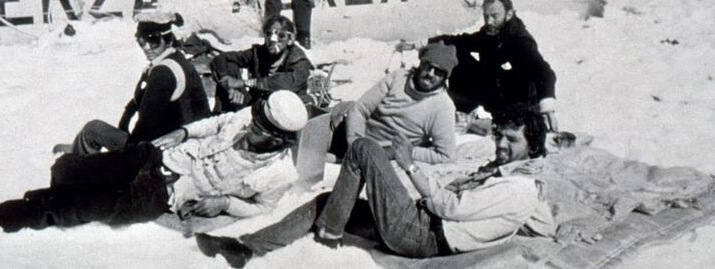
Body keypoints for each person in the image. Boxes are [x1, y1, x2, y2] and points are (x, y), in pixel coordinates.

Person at [196, 103, 554, 265]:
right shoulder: (510, 176)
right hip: (422, 223)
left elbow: (451, 208)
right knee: (330, 201)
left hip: (424, 235)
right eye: (501, 137)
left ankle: (330, 237)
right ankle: (245, 249)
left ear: (532, 147)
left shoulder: (519, 187)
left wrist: (410, 165)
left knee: (364, 149)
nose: (502, 145)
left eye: (512, 140)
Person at [0, 91, 309, 240]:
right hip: (153, 157)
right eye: (253, 121)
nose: (249, 130)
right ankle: (47, 196)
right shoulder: (250, 116)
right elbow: (214, 124)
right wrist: (182, 132)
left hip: (161, 195)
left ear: (279, 140)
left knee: (73, 208)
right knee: (66, 171)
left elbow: (263, 207)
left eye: (259, 131)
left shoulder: (279, 173)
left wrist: (225, 203)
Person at [58, 11, 211, 156]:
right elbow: (140, 99)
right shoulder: (175, 58)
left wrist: (127, 155)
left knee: (92, 129)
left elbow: (146, 123)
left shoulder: (163, 72)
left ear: (168, 39)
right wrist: (125, 120)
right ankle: (79, 150)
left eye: (154, 40)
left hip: (167, 150)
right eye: (141, 41)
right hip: (188, 141)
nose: (147, 47)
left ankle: (78, 160)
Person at [428, 0, 558, 127]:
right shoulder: (491, 31)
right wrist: (424, 43)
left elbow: (545, 72)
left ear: (509, 15)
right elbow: (463, 41)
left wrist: (548, 110)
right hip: (494, 91)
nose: (489, 21)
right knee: (458, 51)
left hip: (516, 102)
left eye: (494, 16)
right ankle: (463, 112)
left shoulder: (520, 40)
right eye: (486, 16)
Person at [328, 42, 458, 163]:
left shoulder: (443, 107)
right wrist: (355, 144)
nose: (430, 73)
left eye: (438, 72)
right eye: (427, 66)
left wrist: (402, 152)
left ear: (445, 77)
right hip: (352, 138)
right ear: (420, 64)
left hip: (380, 156)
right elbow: (360, 109)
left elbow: (446, 155)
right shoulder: (399, 77)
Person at [210, 14, 314, 112]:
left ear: (290, 40)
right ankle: (221, 118)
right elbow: (221, 58)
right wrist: (229, 85)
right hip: (259, 105)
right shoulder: (259, 53)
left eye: (281, 36)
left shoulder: (299, 60)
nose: (273, 39)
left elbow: (287, 83)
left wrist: (244, 83)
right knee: (230, 66)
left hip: (284, 109)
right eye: (269, 34)